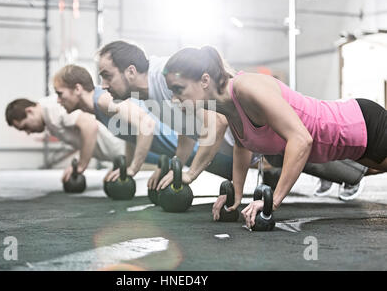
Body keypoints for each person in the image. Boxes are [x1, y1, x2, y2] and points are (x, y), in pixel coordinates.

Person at [162, 46, 386, 228]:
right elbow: (242, 146)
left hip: (360, 124)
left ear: (204, 80)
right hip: (350, 148)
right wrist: (235, 196)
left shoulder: (246, 87)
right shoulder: (225, 107)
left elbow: (301, 139)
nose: (174, 99)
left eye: (178, 89)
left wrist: (273, 202)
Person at [51, 64, 258, 184]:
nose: (58, 100)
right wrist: (159, 164)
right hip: (184, 152)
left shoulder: (102, 100)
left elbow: (146, 124)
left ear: (77, 89)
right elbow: (131, 134)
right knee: (250, 168)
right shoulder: (99, 107)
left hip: (197, 147)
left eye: (60, 94)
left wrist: (132, 169)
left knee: (262, 162)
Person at [5, 95, 126, 183]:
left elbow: (90, 126)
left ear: (29, 111)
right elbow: (84, 138)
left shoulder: (54, 108)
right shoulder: (48, 118)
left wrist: (82, 165)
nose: (28, 132)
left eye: (25, 127)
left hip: (128, 148)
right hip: (121, 156)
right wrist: (78, 162)